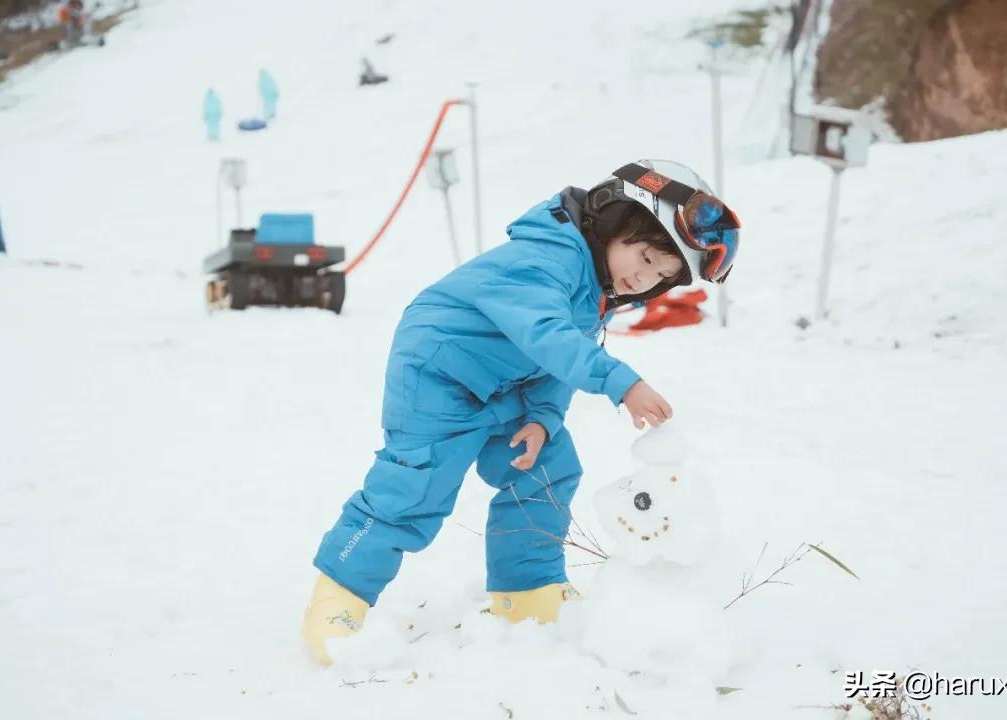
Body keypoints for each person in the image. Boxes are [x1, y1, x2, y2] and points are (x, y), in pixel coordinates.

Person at [301, 159, 742, 665]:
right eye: (644, 257)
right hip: (439, 372)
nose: (643, 279)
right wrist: (623, 383)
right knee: (413, 489)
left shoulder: (599, 289)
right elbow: (548, 337)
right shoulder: (545, 255)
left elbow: (553, 365)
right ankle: (338, 599)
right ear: (614, 219)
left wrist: (542, 418)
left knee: (548, 467)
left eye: (660, 276)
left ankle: (527, 592)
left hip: (505, 384)